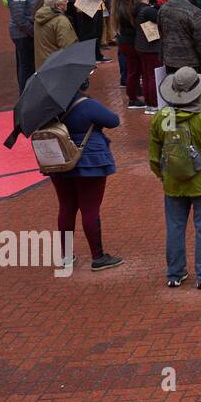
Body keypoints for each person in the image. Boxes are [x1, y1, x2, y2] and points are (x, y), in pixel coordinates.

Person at [150, 66, 201, 289]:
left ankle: (175, 273)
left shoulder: (163, 117)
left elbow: (154, 153)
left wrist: (162, 175)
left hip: (173, 182)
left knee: (174, 227)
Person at [50, 81, 123, 271]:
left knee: (66, 207)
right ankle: (98, 257)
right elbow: (113, 120)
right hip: (89, 162)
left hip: (58, 161)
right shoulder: (86, 105)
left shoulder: (48, 107)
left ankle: (65, 256)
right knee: (90, 209)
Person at [158, 0, 201, 106]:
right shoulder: (194, 12)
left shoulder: (163, 9)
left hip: (170, 60)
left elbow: (161, 34)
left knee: (174, 96)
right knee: (196, 97)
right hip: (190, 63)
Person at [6, 0, 38, 92]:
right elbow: (19, 19)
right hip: (22, 35)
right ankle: (25, 92)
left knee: (28, 64)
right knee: (26, 66)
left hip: (26, 33)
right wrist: (32, 32)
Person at [131, 0, 161, 112]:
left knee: (147, 75)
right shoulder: (147, 11)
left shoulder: (136, 8)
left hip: (141, 45)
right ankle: (154, 103)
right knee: (153, 76)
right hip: (151, 47)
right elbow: (159, 17)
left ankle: (150, 102)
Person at [33, 0, 77, 69]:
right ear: (57, 6)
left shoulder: (38, 17)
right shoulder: (61, 21)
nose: (67, 2)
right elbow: (68, 47)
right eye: (64, 1)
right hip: (58, 66)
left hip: (43, 64)